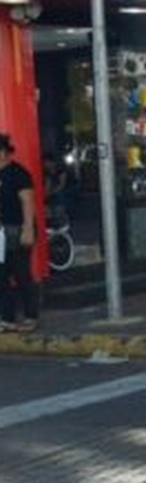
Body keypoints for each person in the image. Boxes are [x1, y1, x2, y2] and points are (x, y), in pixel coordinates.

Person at [0, 133, 40, 333]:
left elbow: (27, 201)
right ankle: (7, 317)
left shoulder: (18, 173)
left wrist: (28, 229)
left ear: (4, 153)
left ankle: (31, 316)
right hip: (0, 232)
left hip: (17, 230)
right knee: (2, 275)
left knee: (22, 274)